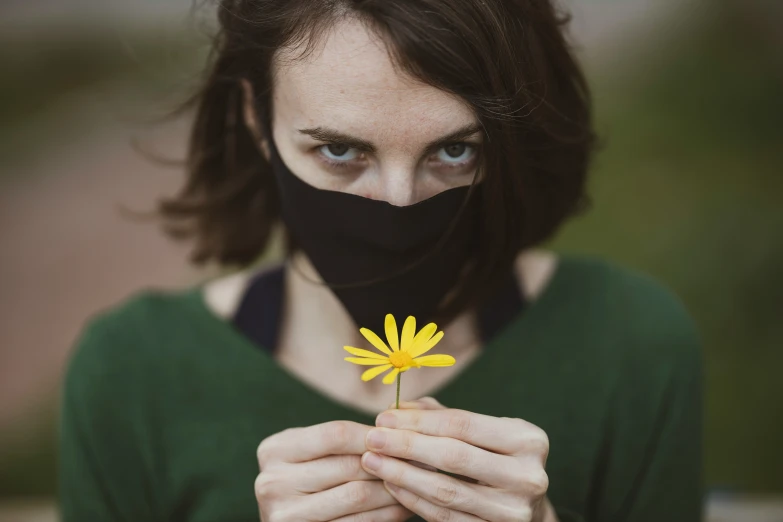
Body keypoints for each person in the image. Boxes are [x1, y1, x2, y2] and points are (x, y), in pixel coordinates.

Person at [58, 1, 703, 521]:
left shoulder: (628, 344)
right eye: (340, 150)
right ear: (257, 118)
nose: (398, 203)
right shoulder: (133, 376)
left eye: (455, 151)